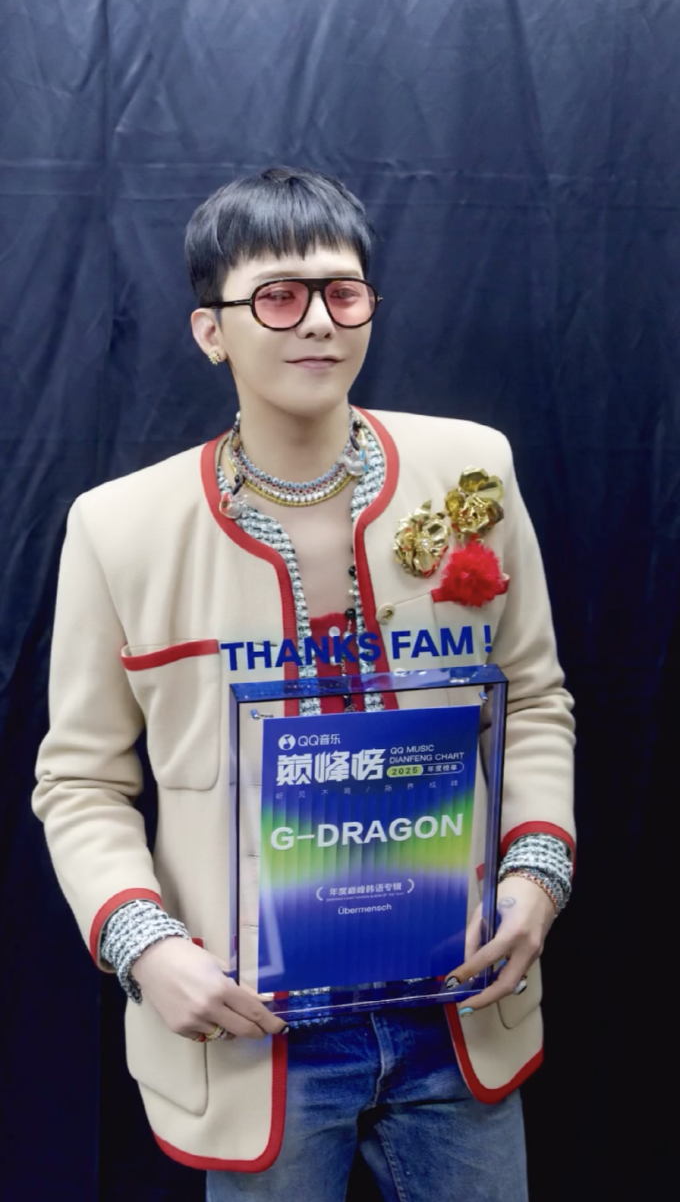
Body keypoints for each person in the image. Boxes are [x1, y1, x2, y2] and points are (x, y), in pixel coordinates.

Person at [33, 166, 575, 1201]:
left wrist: (536, 870)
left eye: (343, 292)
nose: (318, 321)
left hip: (455, 997)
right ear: (211, 330)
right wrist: (146, 944)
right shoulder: (120, 528)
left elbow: (534, 697)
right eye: (278, 296)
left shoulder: (471, 471)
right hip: (255, 1029)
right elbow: (81, 781)